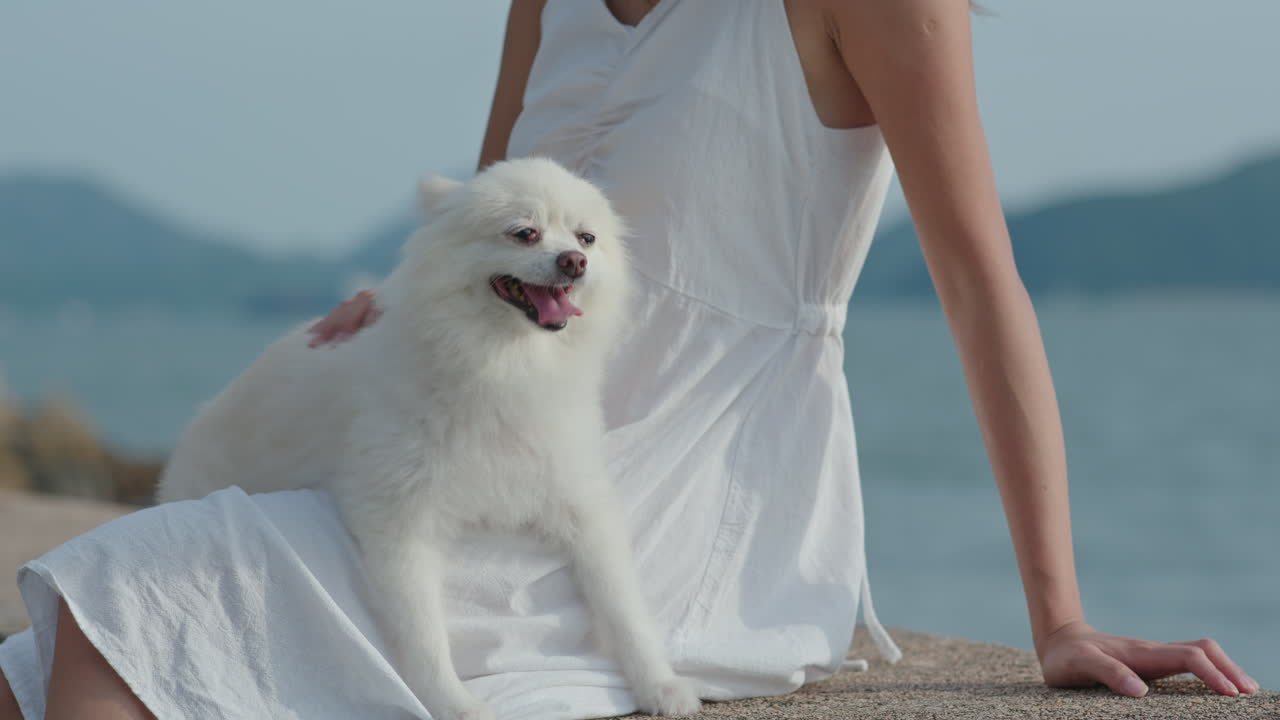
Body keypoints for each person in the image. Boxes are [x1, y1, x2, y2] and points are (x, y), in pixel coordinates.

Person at [0, 1, 1258, 718]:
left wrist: (1057, 616)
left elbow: (980, 288)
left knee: (129, 607)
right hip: (481, 454)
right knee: (43, 658)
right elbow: (485, 221)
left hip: (680, 503)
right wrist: (388, 298)